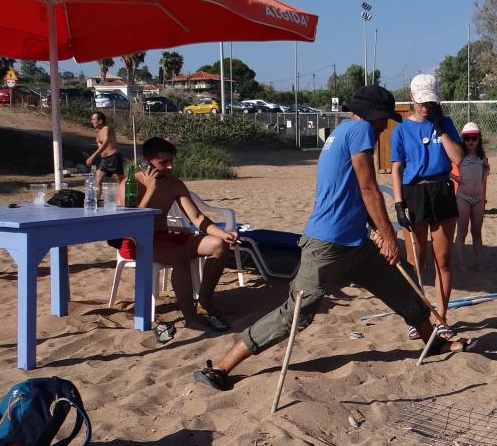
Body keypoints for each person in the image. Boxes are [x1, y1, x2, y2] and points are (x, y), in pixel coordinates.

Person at [193, 86, 471, 392]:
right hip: (326, 244)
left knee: (403, 289)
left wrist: (376, 230)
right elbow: (368, 188)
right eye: (383, 118)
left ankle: (432, 343)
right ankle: (221, 367)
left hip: (357, 244)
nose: (384, 125)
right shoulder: (360, 130)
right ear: (371, 115)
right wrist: (389, 237)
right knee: (296, 314)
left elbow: (352, 190)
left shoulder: (343, 131)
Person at [117, 137, 238, 331]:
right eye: (163, 162)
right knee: (179, 255)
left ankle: (205, 300)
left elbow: (196, 217)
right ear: (147, 161)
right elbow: (131, 222)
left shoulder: (174, 184)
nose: (170, 167)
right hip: (136, 241)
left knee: (219, 245)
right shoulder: (130, 184)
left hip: (164, 237)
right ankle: (190, 317)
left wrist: (223, 233)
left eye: (171, 161)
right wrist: (151, 190)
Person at [390, 74, 463, 338]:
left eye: (430, 102)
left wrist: (441, 129)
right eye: (421, 102)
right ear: (411, 98)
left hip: (442, 189)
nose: (426, 107)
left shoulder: (445, 123)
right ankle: (418, 318)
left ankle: (442, 318)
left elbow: (458, 158)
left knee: (442, 260)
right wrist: (399, 203)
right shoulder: (400, 130)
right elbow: (396, 168)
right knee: (416, 263)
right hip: (415, 193)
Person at [453, 121, 490, 270]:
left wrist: (485, 173)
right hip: (463, 197)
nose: (470, 141)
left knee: (477, 232)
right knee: (462, 233)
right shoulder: (459, 155)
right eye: (467, 138)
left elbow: (486, 169)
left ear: (479, 139)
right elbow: (444, 167)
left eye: (474, 138)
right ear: (463, 139)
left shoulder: (482, 156)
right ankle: (461, 264)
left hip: (479, 199)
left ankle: (479, 262)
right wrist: (454, 177)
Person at [86, 111, 124, 189]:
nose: (92, 121)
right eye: (91, 119)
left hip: (113, 159)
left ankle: (126, 195)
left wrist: (92, 156)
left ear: (100, 121)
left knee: (120, 182)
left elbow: (105, 143)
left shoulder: (107, 129)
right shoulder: (99, 132)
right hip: (104, 160)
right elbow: (101, 147)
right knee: (97, 181)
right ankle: (97, 197)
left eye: (93, 119)